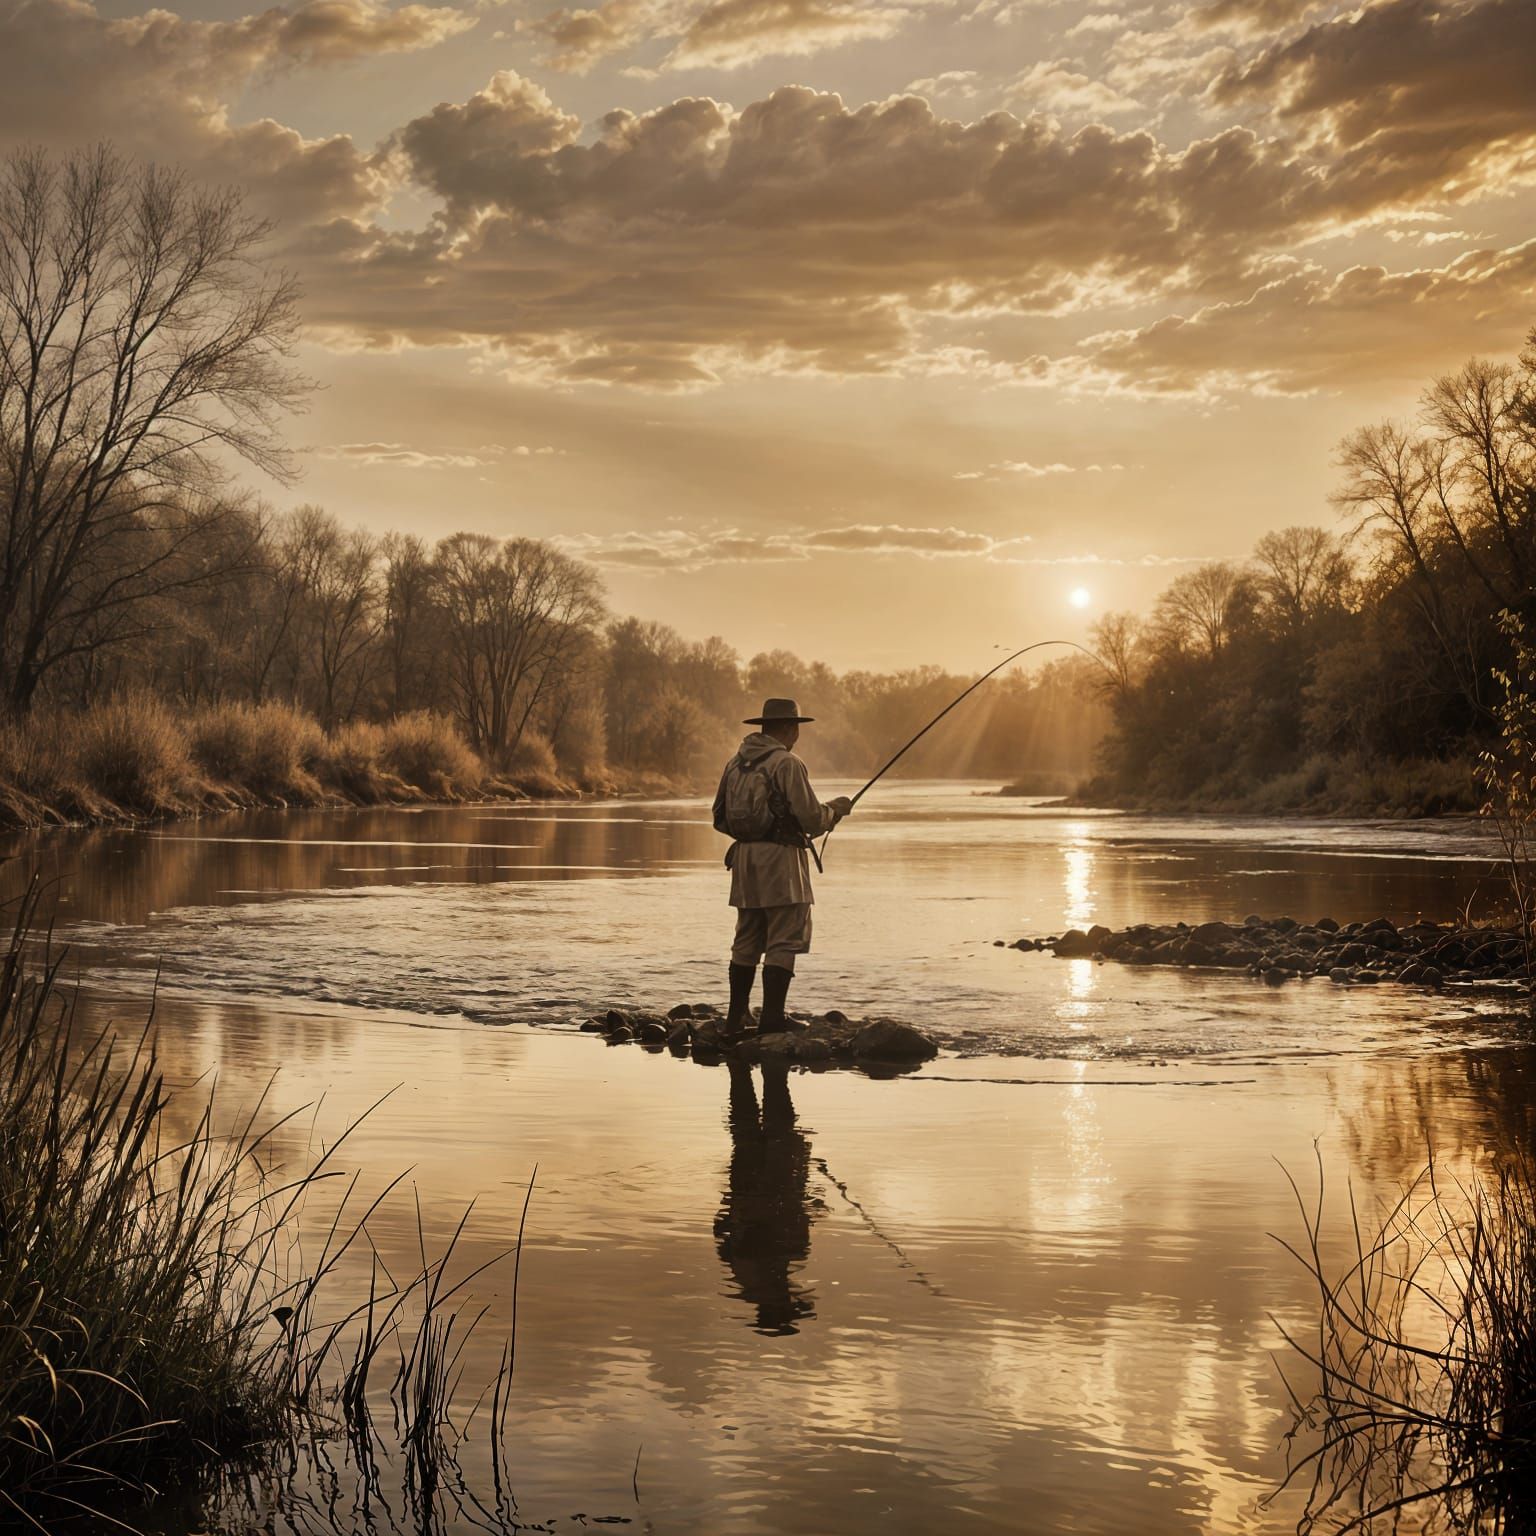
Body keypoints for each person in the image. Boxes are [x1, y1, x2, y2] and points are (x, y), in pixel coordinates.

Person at [711, 697, 852, 1034]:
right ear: (789, 728)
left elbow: (719, 817)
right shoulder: (787, 764)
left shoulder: (734, 763)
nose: (797, 736)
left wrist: (749, 840)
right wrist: (835, 811)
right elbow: (811, 818)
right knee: (784, 937)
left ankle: (735, 1019)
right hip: (781, 860)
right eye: (796, 729)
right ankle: (771, 1019)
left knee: (747, 937)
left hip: (744, 859)